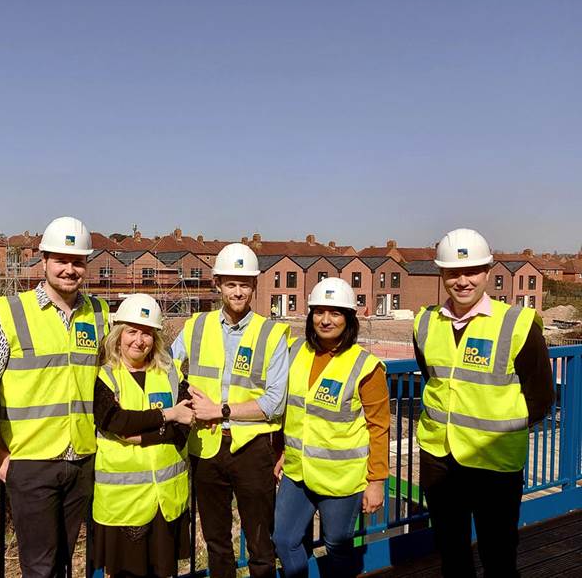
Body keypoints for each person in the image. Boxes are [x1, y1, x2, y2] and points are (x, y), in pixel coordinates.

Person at [414, 228, 554, 577]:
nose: (463, 280)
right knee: (451, 551)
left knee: (499, 553)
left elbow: (541, 397)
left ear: (488, 272)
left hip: (495, 462)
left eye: (472, 271)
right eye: (453, 272)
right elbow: (434, 377)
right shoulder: (424, 323)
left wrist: (500, 427)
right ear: (442, 275)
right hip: (440, 458)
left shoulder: (517, 323)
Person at [0, 216, 109, 578]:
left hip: (82, 459)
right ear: (44, 261)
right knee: (39, 569)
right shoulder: (9, 312)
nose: (70, 269)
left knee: (65, 562)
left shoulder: (99, 314)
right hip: (29, 462)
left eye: (78, 261)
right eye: (61, 260)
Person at [170, 242, 289, 578]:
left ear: (253, 286)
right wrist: (184, 394)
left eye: (245, 284)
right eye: (231, 283)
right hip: (206, 448)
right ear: (218, 284)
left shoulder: (271, 333)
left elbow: (275, 403)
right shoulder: (196, 325)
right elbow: (165, 366)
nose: (238, 292)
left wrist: (220, 410)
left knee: (260, 544)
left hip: (251, 450)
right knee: (216, 541)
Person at [272, 278, 390, 577]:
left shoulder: (365, 366)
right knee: (285, 539)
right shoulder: (296, 351)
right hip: (298, 470)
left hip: (341, 478)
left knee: (337, 544)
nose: (325, 320)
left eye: (335, 313)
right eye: (319, 311)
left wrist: (376, 481)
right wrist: (283, 450)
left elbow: (379, 427)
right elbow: (290, 408)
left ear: (348, 318)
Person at [92, 293, 194, 577]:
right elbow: (116, 421)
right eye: (132, 332)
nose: (139, 340)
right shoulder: (105, 377)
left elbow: (185, 426)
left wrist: (144, 436)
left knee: (163, 571)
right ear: (118, 335)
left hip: (166, 501)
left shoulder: (170, 373)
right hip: (124, 504)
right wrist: (167, 415)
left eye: (147, 333)